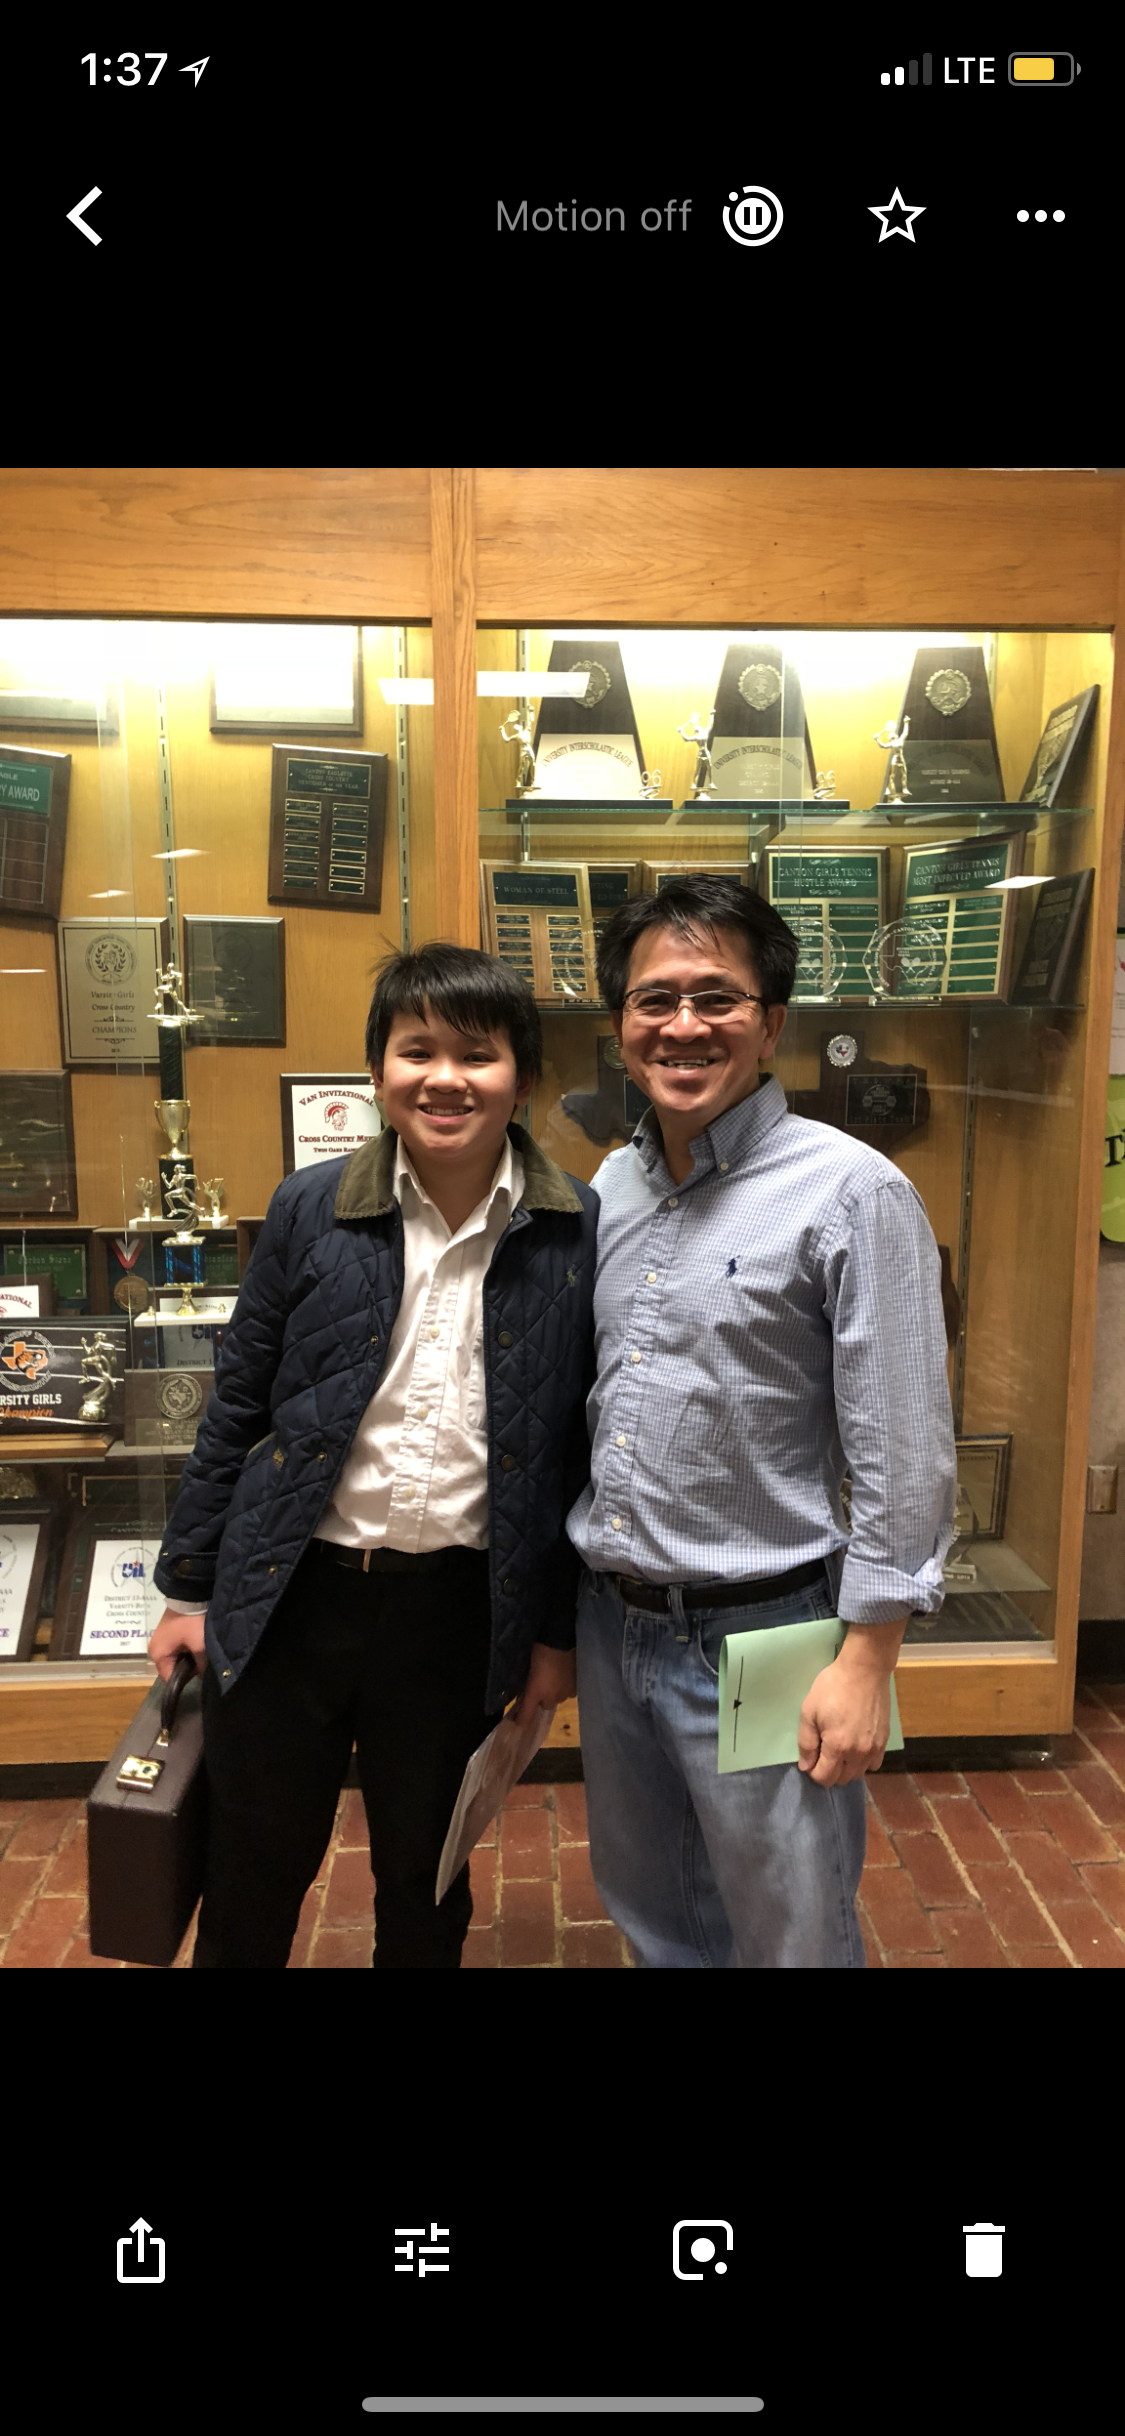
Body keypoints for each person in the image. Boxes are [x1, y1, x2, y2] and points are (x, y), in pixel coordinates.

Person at [147, 943, 597, 1968]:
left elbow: (573, 1452)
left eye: (477, 1055)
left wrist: (553, 1633)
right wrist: (187, 1589)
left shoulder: (574, 1228)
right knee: (251, 1869)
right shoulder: (310, 1206)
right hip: (291, 1596)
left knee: (425, 1878)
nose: (445, 1079)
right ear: (377, 1071)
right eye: (416, 1051)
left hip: (457, 1613)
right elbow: (238, 1404)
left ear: (524, 1077)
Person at [567, 873, 957, 1968]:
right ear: (620, 1024)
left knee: (791, 1932)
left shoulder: (852, 1192)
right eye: (654, 1000)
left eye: (717, 997)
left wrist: (869, 1657)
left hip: (768, 1630)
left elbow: (903, 1442)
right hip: (613, 1626)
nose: (683, 1025)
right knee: (653, 1915)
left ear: (771, 1022)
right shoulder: (611, 1187)